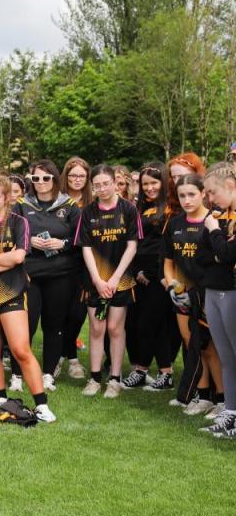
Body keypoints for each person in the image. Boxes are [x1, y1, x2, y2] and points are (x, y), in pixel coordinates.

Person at [0, 174, 55, 423]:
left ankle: (42, 405)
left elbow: (18, 258)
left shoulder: (18, 223)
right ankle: (2, 400)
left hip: (13, 292)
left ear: (6, 198)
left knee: (20, 349)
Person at [10, 160, 81, 391]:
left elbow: (81, 240)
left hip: (60, 274)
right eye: (36, 179)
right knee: (25, 325)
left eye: (46, 178)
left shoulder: (70, 206)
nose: (41, 183)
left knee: (54, 325)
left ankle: (48, 374)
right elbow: (9, 234)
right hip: (29, 274)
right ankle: (17, 375)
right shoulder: (21, 205)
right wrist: (27, 240)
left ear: (54, 179)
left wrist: (63, 243)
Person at [75, 164, 141, 399]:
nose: (102, 189)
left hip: (120, 281)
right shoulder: (88, 212)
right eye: (97, 185)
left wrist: (114, 279)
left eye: (106, 183)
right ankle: (94, 378)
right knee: (96, 328)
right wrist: (97, 279)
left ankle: (114, 379)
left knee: (115, 328)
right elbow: (85, 248)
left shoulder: (129, 210)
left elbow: (132, 247)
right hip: (95, 281)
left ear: (115, 182)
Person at [161, 174, 224, 417]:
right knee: (192, 347)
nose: (186, 200)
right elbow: (168, 262)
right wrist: (172, 288)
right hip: (181, 297)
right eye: (182, 195)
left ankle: (222, 399)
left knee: (211, 349)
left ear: (203, 194)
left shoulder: (212, 222)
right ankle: (203, 395)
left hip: (208, 296)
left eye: (192, 194)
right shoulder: (174, 223)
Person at [124, 163, 178, 391]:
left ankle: (162, 373)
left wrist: (154, 272)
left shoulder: (170, 209)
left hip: (160, 274)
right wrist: (137, 271)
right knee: (138, 324)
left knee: (153, 323)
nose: (149, 188)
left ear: (164, 182)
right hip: (138, 273)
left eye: (154, 182)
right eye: (145, 183)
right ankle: (142, 369)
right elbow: (134, 242)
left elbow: (165, 246)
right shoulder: (139, 208)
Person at [202, 165, 236, 437]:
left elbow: (226, 254)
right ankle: (231, 413)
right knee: (227, 357)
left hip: (232, 291)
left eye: (213, 192)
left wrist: (214, 231)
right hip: (216, 289)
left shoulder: (219, 219)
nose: (210, 199)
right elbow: (207, 254)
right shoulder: (223, 215)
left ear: (230, 185)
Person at [60, 157, 93, 381]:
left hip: (87, 265)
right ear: (65, 177)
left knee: (77, 314)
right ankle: (62, 356)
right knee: (59, 313)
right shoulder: (57, 201)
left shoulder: (94, 202)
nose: (77, 180)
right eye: (73, 176)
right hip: (61, 263)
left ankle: (70, 356)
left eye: (81, 176)